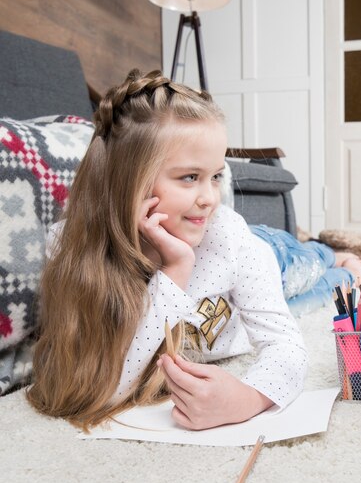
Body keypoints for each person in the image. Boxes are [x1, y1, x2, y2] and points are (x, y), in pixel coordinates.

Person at [27, 69, 308, 432]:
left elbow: (286, 344)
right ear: (128, 181)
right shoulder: (69, 245)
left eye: (216, 176)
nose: (210, 198)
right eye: (190, 177)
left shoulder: (227, 233)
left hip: (276, 257)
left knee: (317, 270)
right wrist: (176, 269)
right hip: (232, 267)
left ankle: (342, 258)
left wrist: (249, 398)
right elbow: (105, 388)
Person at [250, 224, 361, 317]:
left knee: (296, 268)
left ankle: (332, 256)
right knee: (275, 311)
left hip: (259, 250)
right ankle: (351, 275)